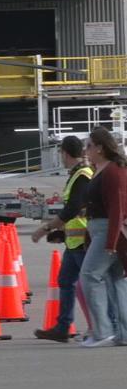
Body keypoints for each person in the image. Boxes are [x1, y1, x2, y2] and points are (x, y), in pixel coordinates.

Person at [31, 136, 95, 342]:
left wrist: (45, 229)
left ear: (65, 153)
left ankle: (101, 326)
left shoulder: (82, 175)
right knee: (66, 281)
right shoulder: (78, 174)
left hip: (84, 240)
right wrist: (61, 233)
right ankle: (63, 327)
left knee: (89, 286)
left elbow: (72, 209)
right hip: (74, 240)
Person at [77, 127, 127, 348]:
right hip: (101, 230)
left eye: (88, 146)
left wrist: (111, 241)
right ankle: (123, 333)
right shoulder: (101, 169)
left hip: (108, 230)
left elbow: (117, 208)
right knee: (116, 280)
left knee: (89, 275)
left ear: (99, 147)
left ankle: (102, 331)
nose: (86, 150)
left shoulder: (113, 171)